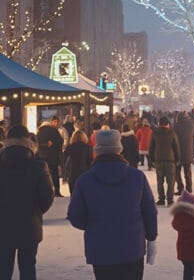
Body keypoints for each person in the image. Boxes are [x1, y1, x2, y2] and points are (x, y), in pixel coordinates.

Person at [67, 129, 158, 280]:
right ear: (119, 149)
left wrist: (94, 225)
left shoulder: (85, 180)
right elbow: (149, 211)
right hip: (132, 248)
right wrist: (151, 237)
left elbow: (75, 217)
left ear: (97, 150)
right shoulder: (137, 177)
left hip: (100, 250)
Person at [0, 124, 54, 280]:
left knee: (3, 267)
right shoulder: (38, 165)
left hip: (3, 224)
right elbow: (47, 196)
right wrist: (35, 211)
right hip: (30, 224)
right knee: (28, 266)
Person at [149, 117, 180, 206]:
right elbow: (176, 147)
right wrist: (177, 159)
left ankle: (161, 199)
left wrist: (152, 160)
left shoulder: (155, 133)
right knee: (170, 181)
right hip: (170, 160)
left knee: (160, 180)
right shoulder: (172, 133)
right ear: (167, 124)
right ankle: (170, 200)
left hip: (158, 160)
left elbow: (151, 147)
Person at [36, 120, 65, 197]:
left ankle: (46, 192)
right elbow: (61, 141)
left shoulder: (39, 133)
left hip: (43, 157)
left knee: (45, 175)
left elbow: (37, 144)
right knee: (55, 174)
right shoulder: (54, 131)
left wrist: (45, 145)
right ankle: (57, 191)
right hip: (53, 157)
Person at [64, 129, 93, 195]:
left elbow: (65, 161)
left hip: (72, 175)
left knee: (73, 194)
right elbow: (90, 163)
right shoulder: (88, 148)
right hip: (84, 174)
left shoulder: (69, 148)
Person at [174, 111, 194, 194]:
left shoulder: (176, 127)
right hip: (188, 151)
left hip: (178, 152)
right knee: (187, 172)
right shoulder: (191, 126)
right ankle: (189, 188)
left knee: (177, 172)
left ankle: (180, 188)